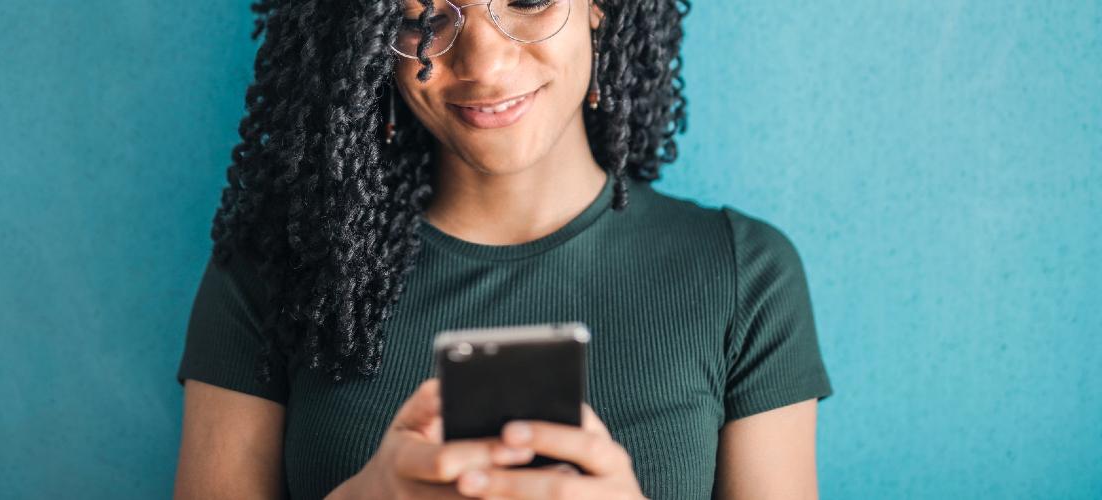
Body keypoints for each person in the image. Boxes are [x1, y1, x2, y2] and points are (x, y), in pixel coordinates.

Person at [173, 0, 834, 498]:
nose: (485, 65)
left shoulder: (742, 272)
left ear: (598, 9)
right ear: (373, 43)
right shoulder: (274, 269)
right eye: (426, 18)